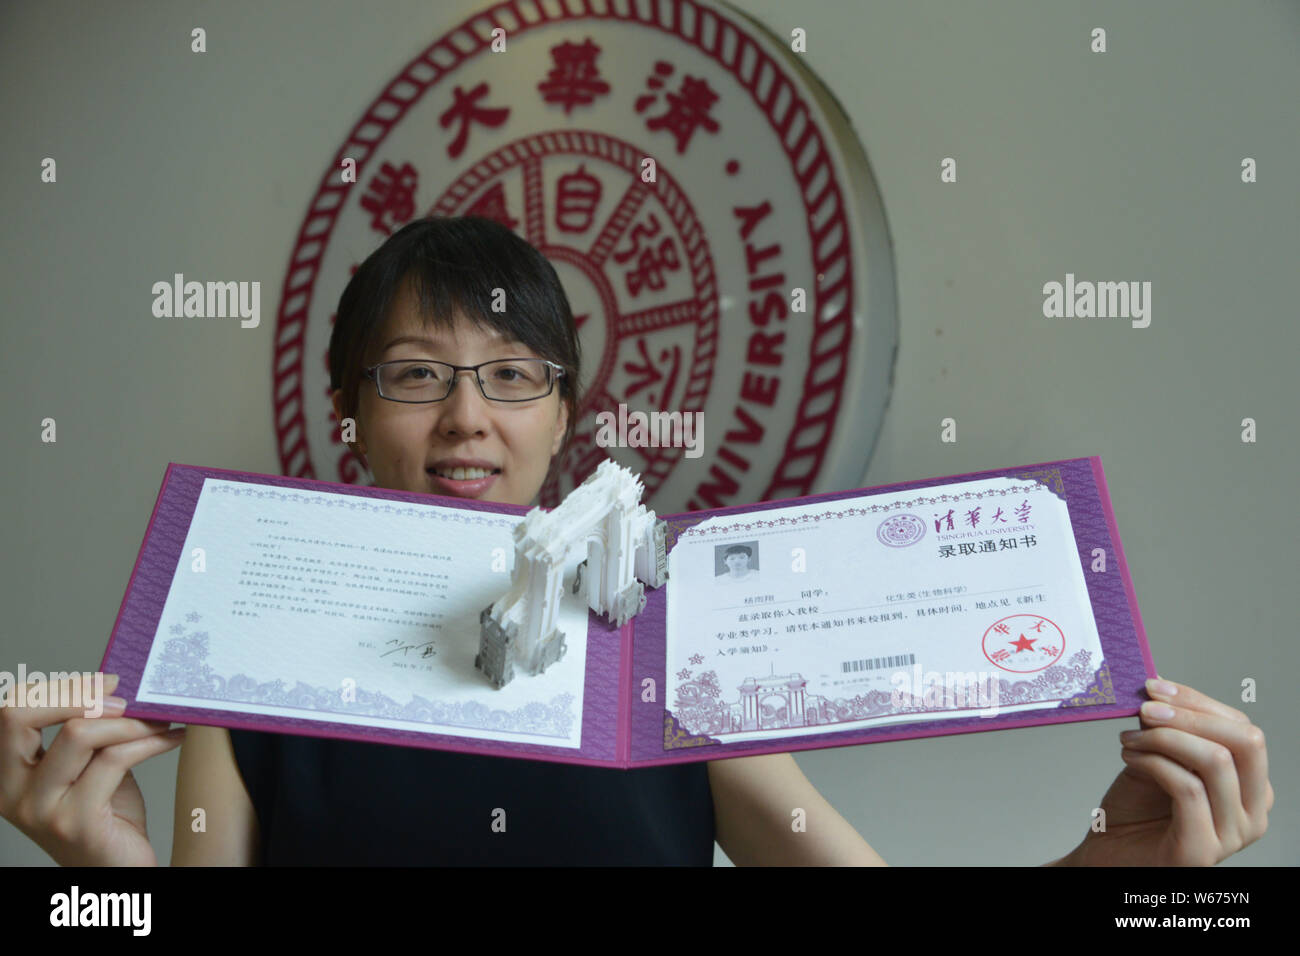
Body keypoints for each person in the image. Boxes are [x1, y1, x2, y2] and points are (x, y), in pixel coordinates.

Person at [0, 217, 1274, 866]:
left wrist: (1121, 876)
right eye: (413, 374)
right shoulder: (247, 655)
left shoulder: (664, 643)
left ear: (562, 414)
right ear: (345, 411)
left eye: (511, 376)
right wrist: (96, 881)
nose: (465, 419)